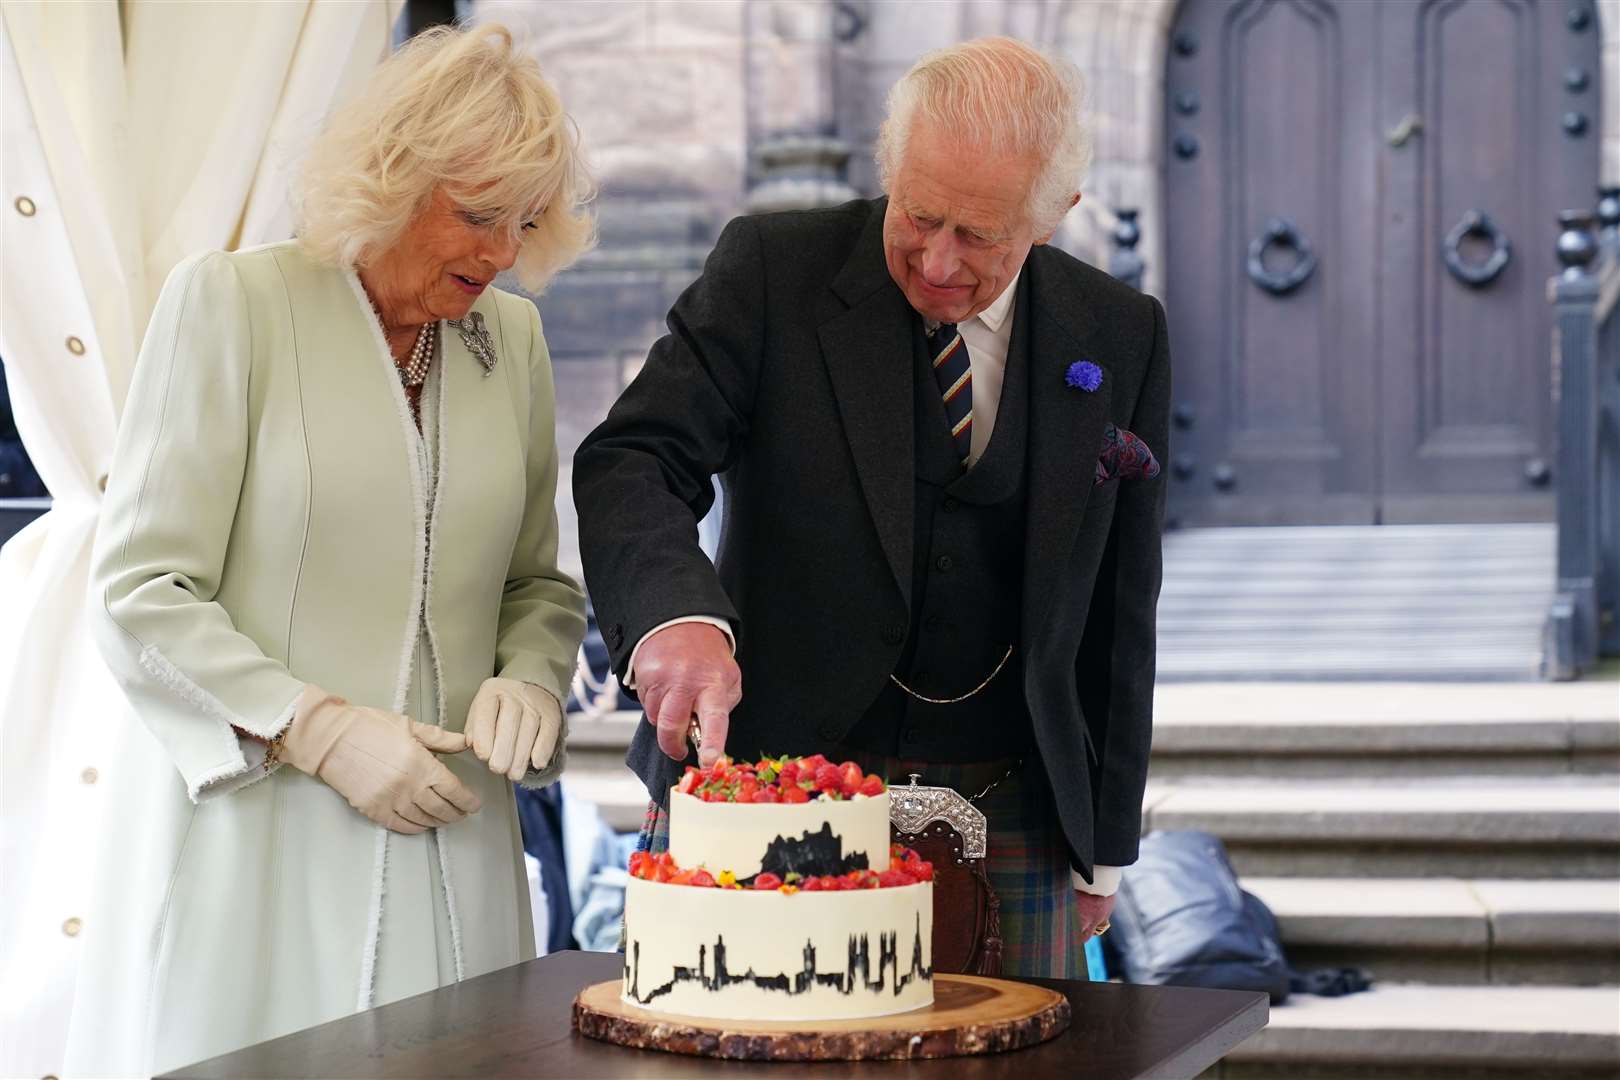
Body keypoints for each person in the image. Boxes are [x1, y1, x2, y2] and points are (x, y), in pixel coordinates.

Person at [574, 37, 1168, 980]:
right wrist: (674, 618)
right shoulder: (773, 271)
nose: (936, 260)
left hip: (1015, 797)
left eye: (979, 235)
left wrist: (1105, 835)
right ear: (890, 169)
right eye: (918, 214)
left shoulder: (1120, 333)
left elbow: (1119, 602)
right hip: (762, 776)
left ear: (1056, 216)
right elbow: (635, 455)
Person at [66, 25, 590, 1074]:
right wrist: (316, 730)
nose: (498, 254)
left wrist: (532, 674)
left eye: (522, 223)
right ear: (394, 179)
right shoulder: (235, 306)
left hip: (455, 836)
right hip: (259, 839)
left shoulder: (510, 345)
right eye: (477, 216)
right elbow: (139, 591)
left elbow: (538, 580)